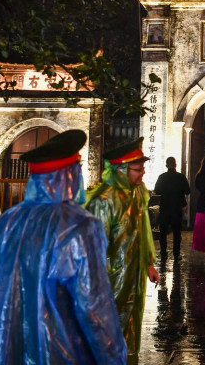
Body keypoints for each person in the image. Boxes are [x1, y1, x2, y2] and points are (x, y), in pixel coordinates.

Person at [0, 130, 127, 364]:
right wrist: (113, 357)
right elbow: (94, 308)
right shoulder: (81, 227)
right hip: (65, 354)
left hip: (9, 352)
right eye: (78, 168)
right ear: (69, 174)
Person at [84, 137, 160, 364]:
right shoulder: (104, 201)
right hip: (110, 283)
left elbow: (143, 232)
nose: (143, 173)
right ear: (121, 170)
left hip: (132, 277)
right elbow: (94, 249)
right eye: (138, 168)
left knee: (131, 329)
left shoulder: (136, 194)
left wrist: (148, 263)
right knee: (108, 334)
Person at [153, 156, 191, 261]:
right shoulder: (181, 177)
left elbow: (157, 190)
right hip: (177, 207)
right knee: (177, 232)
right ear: (175, 165)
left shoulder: (162, 177)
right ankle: (176, 253)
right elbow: (188, 191)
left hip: (165, 207)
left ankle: (163, 252)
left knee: (163, 231)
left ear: (166, 165)